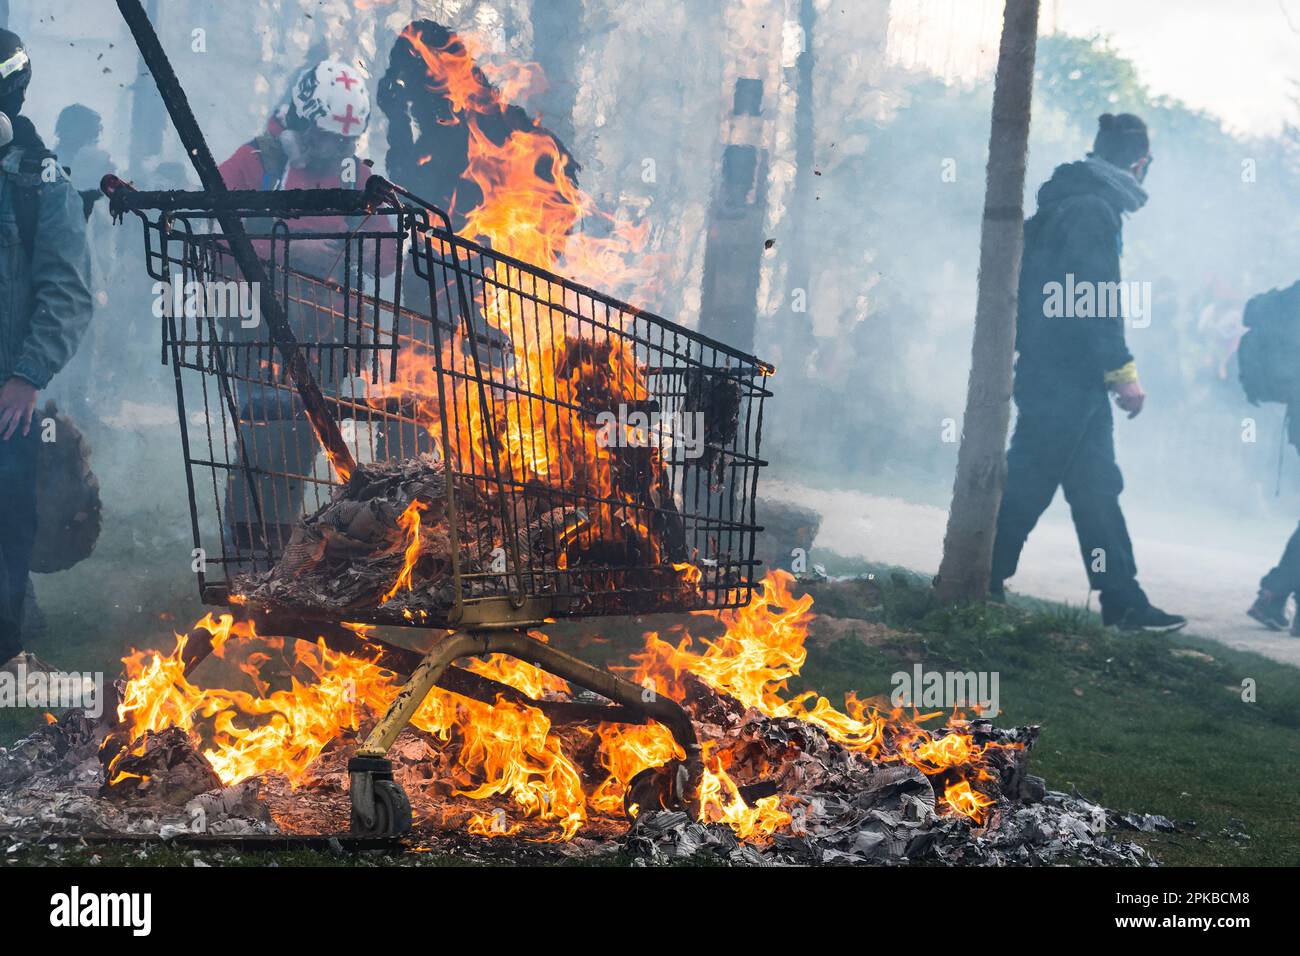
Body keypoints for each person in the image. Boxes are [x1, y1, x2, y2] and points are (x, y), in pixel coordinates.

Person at [989, 113, 1185, 632]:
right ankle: (981, 578)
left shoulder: (1072, 201)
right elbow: (1094, 299)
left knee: (1097, 488)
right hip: (1065, 377)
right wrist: (1123, 372)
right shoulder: (1093, 210)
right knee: (1030, 479)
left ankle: (1122, 600)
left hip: (1069, 377)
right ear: (1140, 163)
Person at [217, 58, 386, 555]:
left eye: (349, 141)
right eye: (333, 138)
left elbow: (385, 254)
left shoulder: (356, 172)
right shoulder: (257, 163)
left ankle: (286, 553)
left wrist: (383, 222)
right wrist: (291, 248)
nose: (341, 149)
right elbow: (214, 232)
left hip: (331, 339)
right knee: (267, 443)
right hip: (261, 335)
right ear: (305, 121)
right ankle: (256, 557)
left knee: (300, 442)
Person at [0, 29, 95, 674]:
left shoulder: (40, 183)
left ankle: (5, 654)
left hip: (6, 395)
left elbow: (66, 289)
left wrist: (27, 377)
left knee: (8, 521)